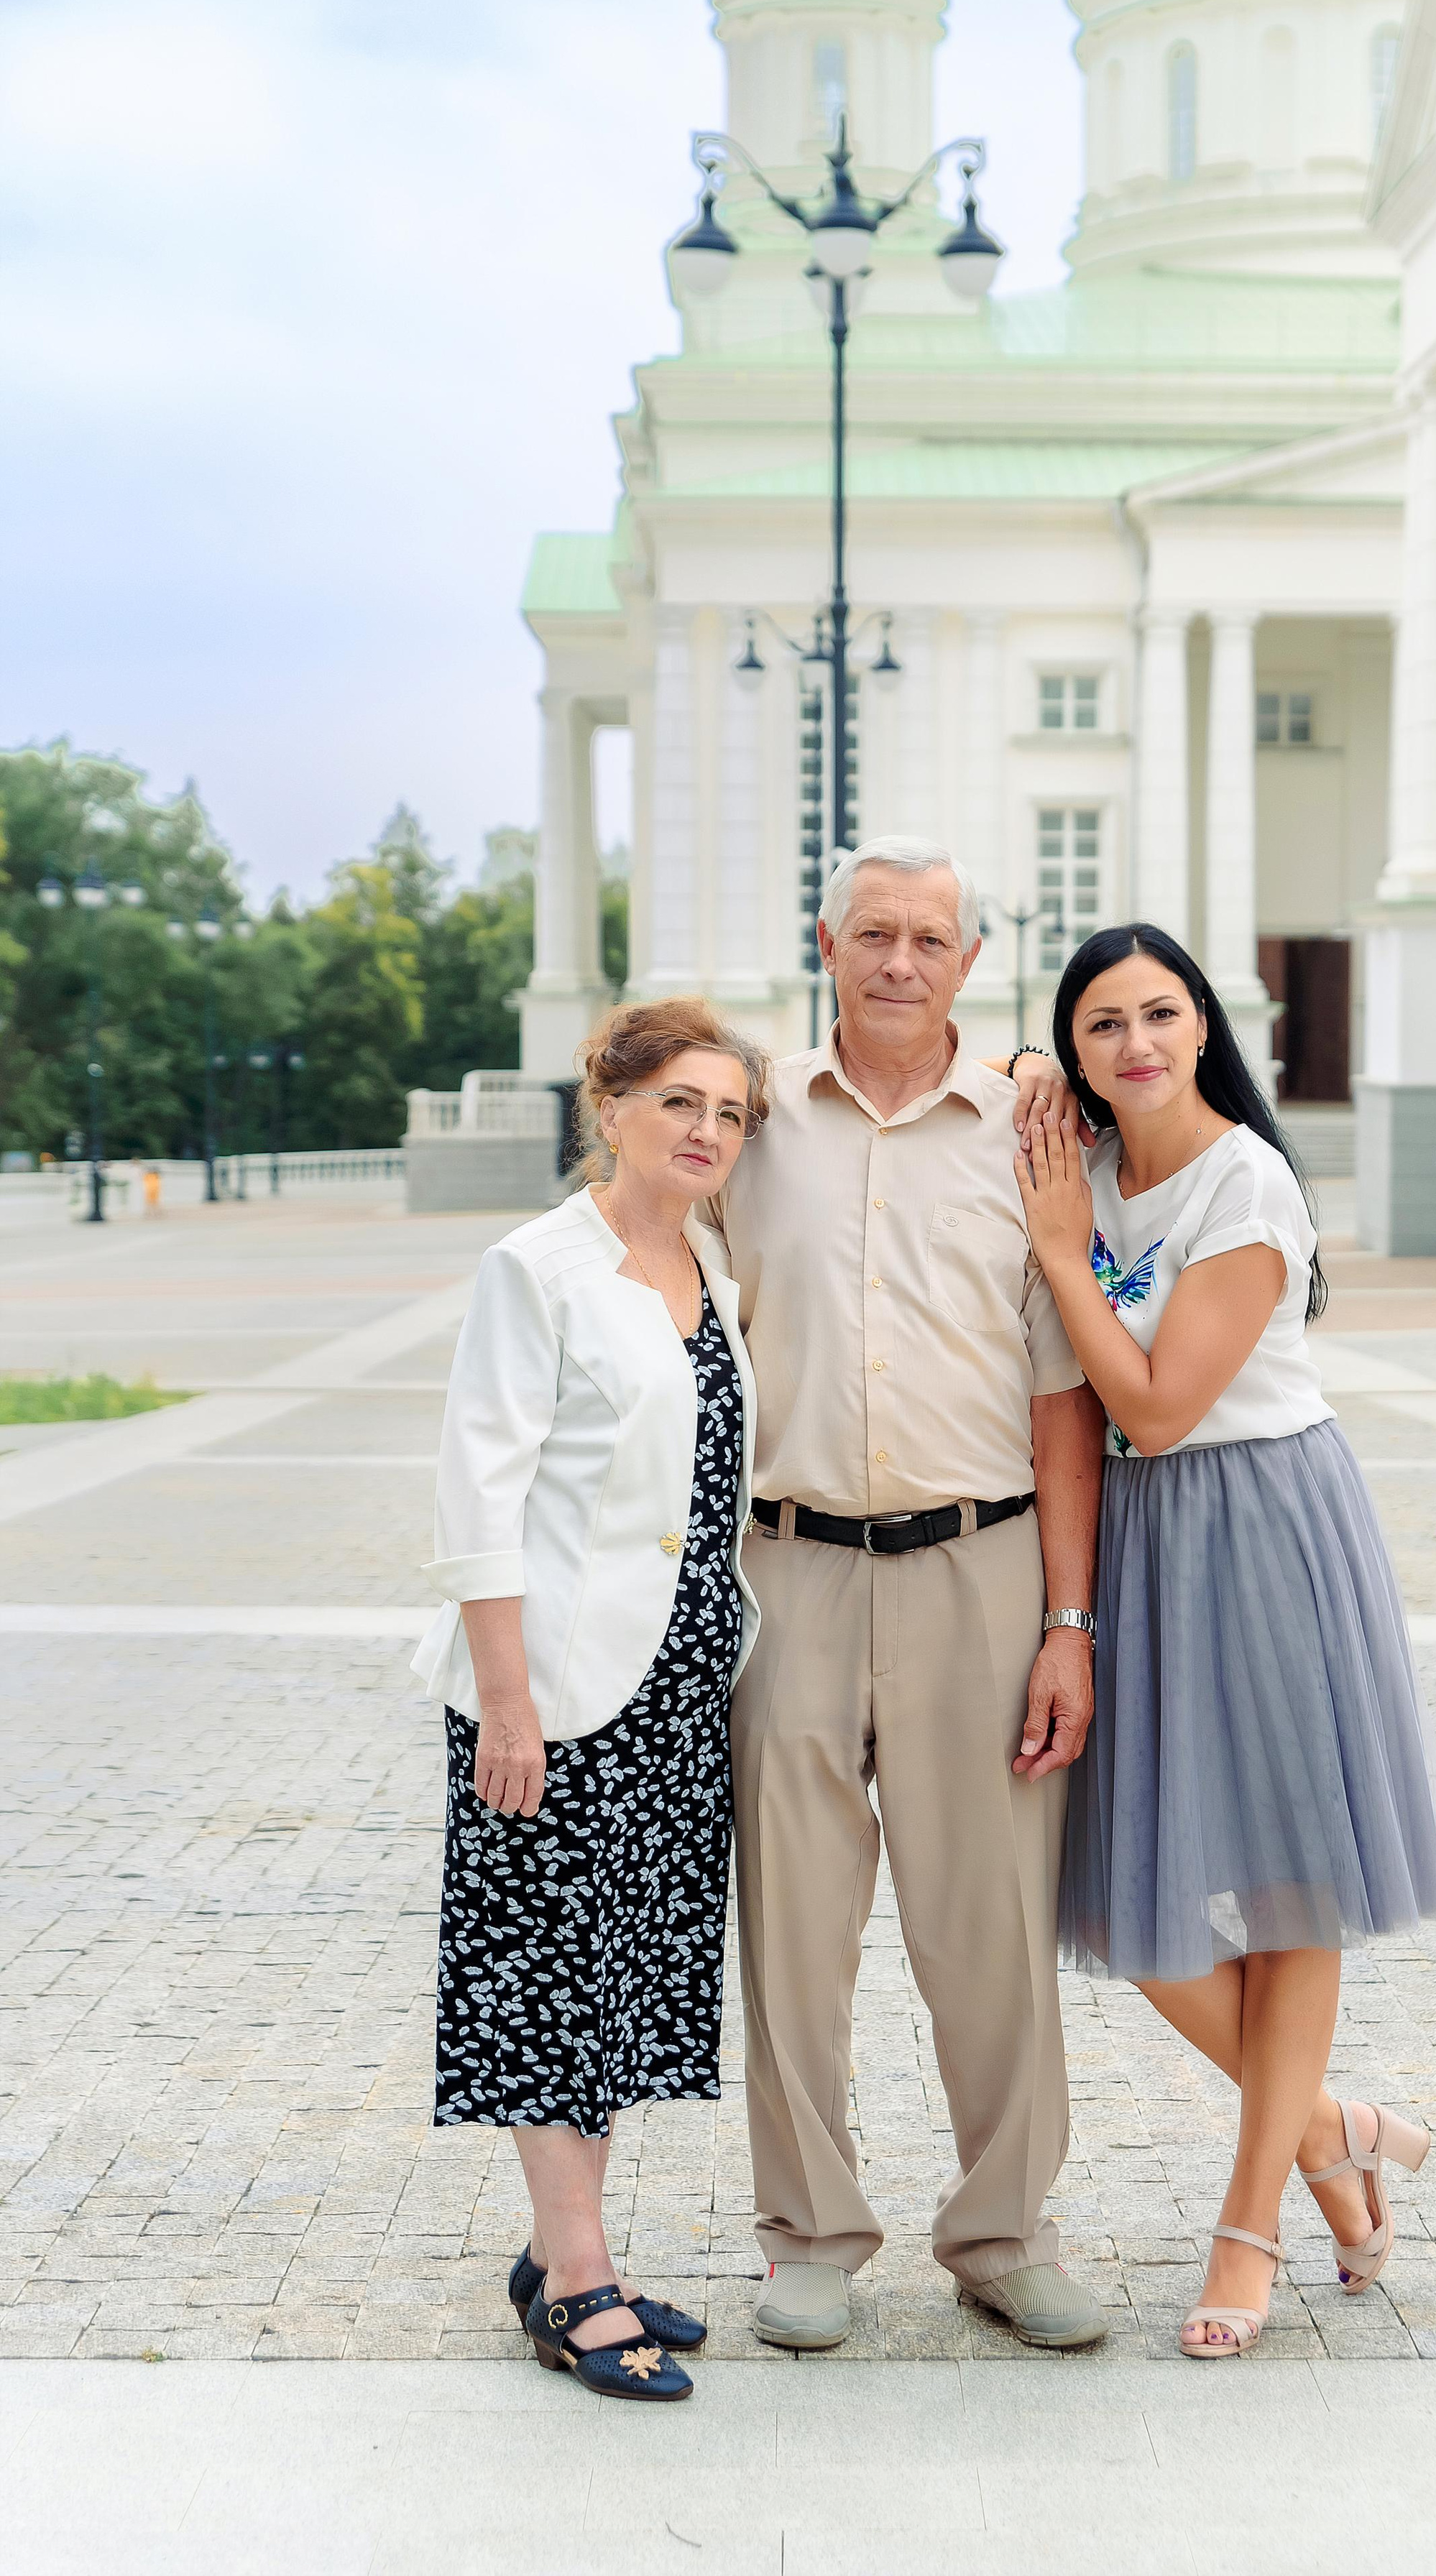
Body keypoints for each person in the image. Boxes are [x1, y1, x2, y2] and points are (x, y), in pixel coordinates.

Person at [1012, 923, 1436, 2360]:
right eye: (1099, 1025)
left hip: (1263, 1529)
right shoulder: (1079, 1174)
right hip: (1145, 1553)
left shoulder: (1246, 1183)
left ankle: (1250, 2223)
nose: (1132, 1043)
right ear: (1075, 1050)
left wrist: (1051, 1252)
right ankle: (1336, 2134)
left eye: (1157, 1013)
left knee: (1284, 1892)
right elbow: (1073, 1420)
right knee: (1135, 1904)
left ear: (1201, 1026)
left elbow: (1151, 1406)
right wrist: (1066, 1614)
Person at [711, 835, 1110, 2353]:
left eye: (925, 938)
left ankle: (1004, 2232)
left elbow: (1064, 1400)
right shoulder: (751, 1128)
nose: (896, 960)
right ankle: (807, 2234)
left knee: (989, 1922)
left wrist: (1066, 1623)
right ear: (824, 943)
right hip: (789, 1566)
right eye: (870, 932)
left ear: (968, 960)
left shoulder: (1029, 1132)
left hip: (982, 1567)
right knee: (794, 1928)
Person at [410, 997, 770, 2404]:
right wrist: (505, 1703)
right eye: (680, 1102)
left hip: (679, 1683)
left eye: (729, 1113)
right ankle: (574, 2285)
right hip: (552, 1692)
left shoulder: (704, 1266)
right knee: (551, 1993)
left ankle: (577, 2251)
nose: (706, 1132)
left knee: (616, 1988)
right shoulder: (536, 1268)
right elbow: (475, 1490)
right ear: (608, 1108)